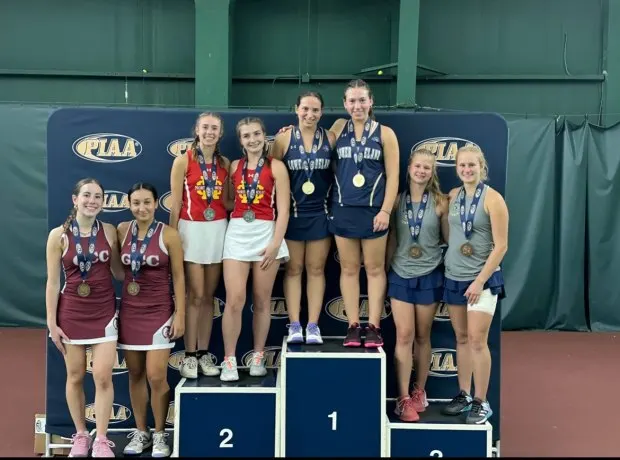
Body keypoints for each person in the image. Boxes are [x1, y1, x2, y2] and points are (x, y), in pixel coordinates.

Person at [45, 178, 124, 458]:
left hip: (103, 311)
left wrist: (143, 274)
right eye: (87, 195)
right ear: (75, 199)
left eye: (98, 197)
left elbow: (118, 272)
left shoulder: (111, 231)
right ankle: (81, 435)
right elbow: (53, 283)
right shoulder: (58, 236)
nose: (92, 201)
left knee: (103, 376)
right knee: (75, 375)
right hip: (71, 313)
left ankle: (101, 438)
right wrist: (52, 323)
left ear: (103, 203)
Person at [441, 145, 508, 424]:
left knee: (478, 342)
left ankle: (482, 402)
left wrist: (479, 282)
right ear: (457, 169)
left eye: (472, 165)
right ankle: (464, 394)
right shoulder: (454, 196)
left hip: (481, 281)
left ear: (482, 167)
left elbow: (502, 246)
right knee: (462, 339)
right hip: (454, 277)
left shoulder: (493, 199)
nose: (467, 170)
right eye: (462, 166)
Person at [116, 183, 185, 457]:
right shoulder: (121, 230)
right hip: (131, 310)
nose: (141, 208)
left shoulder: (169, 234)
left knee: (157, 376)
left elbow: (179, 276)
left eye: (147, 202)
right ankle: (141, 431)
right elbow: (118, 270)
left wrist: (179, 313)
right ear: (129, 205)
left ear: (156, 204)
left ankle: (160, 434)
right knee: (135, 373)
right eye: (136, 203)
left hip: (159, 312)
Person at [330, 79, 400, 347]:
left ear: (371, 102)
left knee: (373, 269)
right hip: (343, 208)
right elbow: (314, 144)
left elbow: (393, 176)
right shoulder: (338, 128)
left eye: (362, 100)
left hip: (374, 211)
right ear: (345, 104)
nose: (357, 105)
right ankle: (352, 325)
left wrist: (385, 210)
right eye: (352, 101)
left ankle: (373, 326)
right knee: (348, 269)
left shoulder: (385, 133)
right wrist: (289, 131)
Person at [220, 117, 290, 382]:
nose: (253, 139)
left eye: (257, 134)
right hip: (237, 233)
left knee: (262, 301)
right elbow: (228, 201)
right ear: (240, 140)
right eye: (247, 136)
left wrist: (275, 244)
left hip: (266, 234)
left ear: (265, 136)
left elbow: (283, 211)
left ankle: (258, 356)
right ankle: (229, 359)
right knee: (235, 300)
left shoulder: (277, 167)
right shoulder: (234, 166)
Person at [386, 148, 449, 422]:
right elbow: (391, 240)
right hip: (400, 273)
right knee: (404, 335)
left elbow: (448, 239)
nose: (422, 171)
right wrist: (383, 271)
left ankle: (419, 391)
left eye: (427, 167)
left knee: (423, 336)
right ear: (409, 168)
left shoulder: (440, 202)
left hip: (429, 274)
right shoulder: (397, 201)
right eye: (417, 166)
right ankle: (402, 398)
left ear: (432, 171)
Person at [169, 112, 232, 379]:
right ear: (196, 130)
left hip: (217, 229)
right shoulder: (182, 161)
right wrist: (171, 239)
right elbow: (176, 202)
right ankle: (189, 355)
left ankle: (204, 354)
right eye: (205, 127)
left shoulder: (225, 163)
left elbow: (229, 202)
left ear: (220, 133)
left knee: (208, 297)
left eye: (214, 128)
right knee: (194, 296)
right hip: (191, 230)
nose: (209, 132)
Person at [271, 91, 336, 345]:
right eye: (305, 109)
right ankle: (295, 324)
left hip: (320, 213)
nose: (310, 114)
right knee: (294, 269)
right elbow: (272, 175)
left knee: (316, 269)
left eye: (315, 110)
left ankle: (313, 325)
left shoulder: (330, 137)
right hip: (294, 215)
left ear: (322, 112)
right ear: (296, 109)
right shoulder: (283, 138)